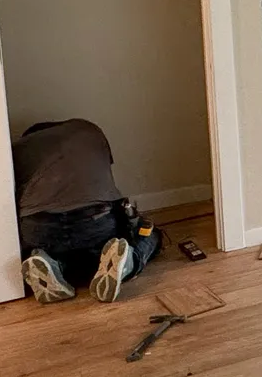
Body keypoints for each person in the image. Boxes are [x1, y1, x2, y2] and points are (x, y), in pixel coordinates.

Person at [12, 119, 160, 302]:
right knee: (149, 233)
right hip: (93, 220)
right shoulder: (88, 130)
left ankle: (49, 262)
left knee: (61, 251)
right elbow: (104, 178)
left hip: (42, 228)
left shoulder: (16, 149)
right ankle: (129, 260)